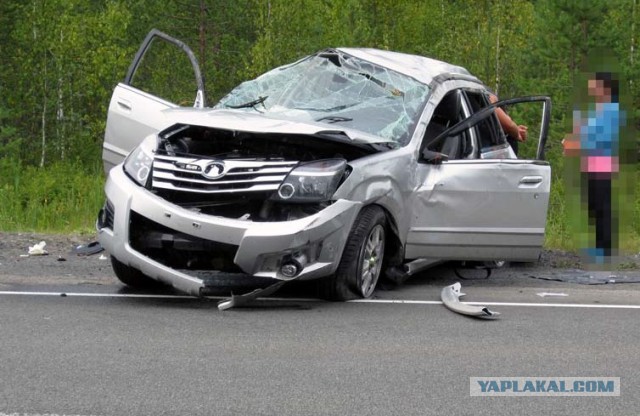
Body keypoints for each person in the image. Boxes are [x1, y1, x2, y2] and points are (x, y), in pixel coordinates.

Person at [562, 72, 622, 264]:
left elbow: (601, 139)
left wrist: (577, 143)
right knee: (594, 206)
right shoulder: (598, 110)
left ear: (605, 87)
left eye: (594, 84)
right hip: (590, 164)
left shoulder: (611, 111)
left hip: (603, 166)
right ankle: (599, 246)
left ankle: (606, 250)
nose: (591, 87)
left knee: (603, 207)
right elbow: (587, 133)